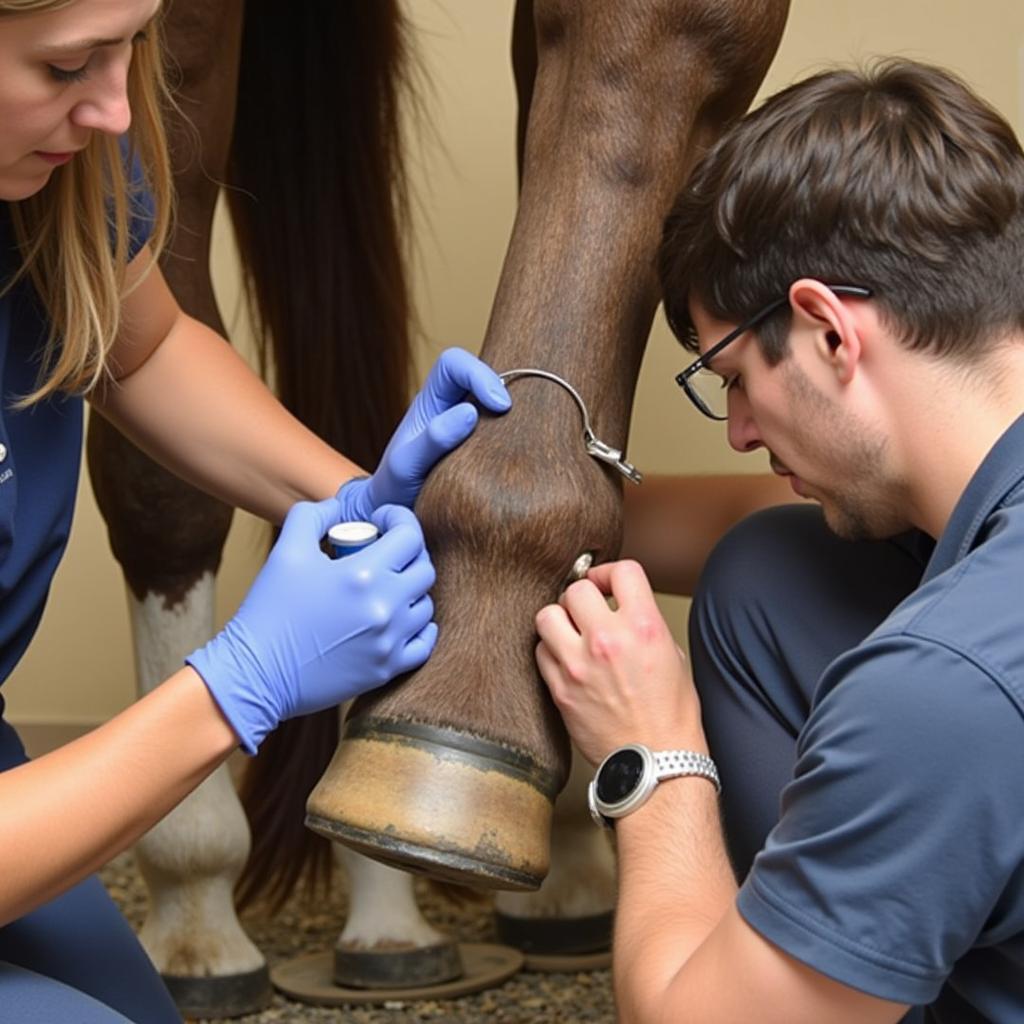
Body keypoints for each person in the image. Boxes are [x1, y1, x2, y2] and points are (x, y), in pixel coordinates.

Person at [0, 1, 513, 1021]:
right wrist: (240, 684)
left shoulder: (50, 180)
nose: (112, 108)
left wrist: (354, 493)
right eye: (65, 67)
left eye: (133, 45)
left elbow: (138, 343)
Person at [535, 57, 1024, 1024]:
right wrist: (490, 499)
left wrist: (653, 753)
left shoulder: (942, 686)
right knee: (767, 568)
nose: (740, 432)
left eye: (727, 375)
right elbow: (738, 527)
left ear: (828, 331)